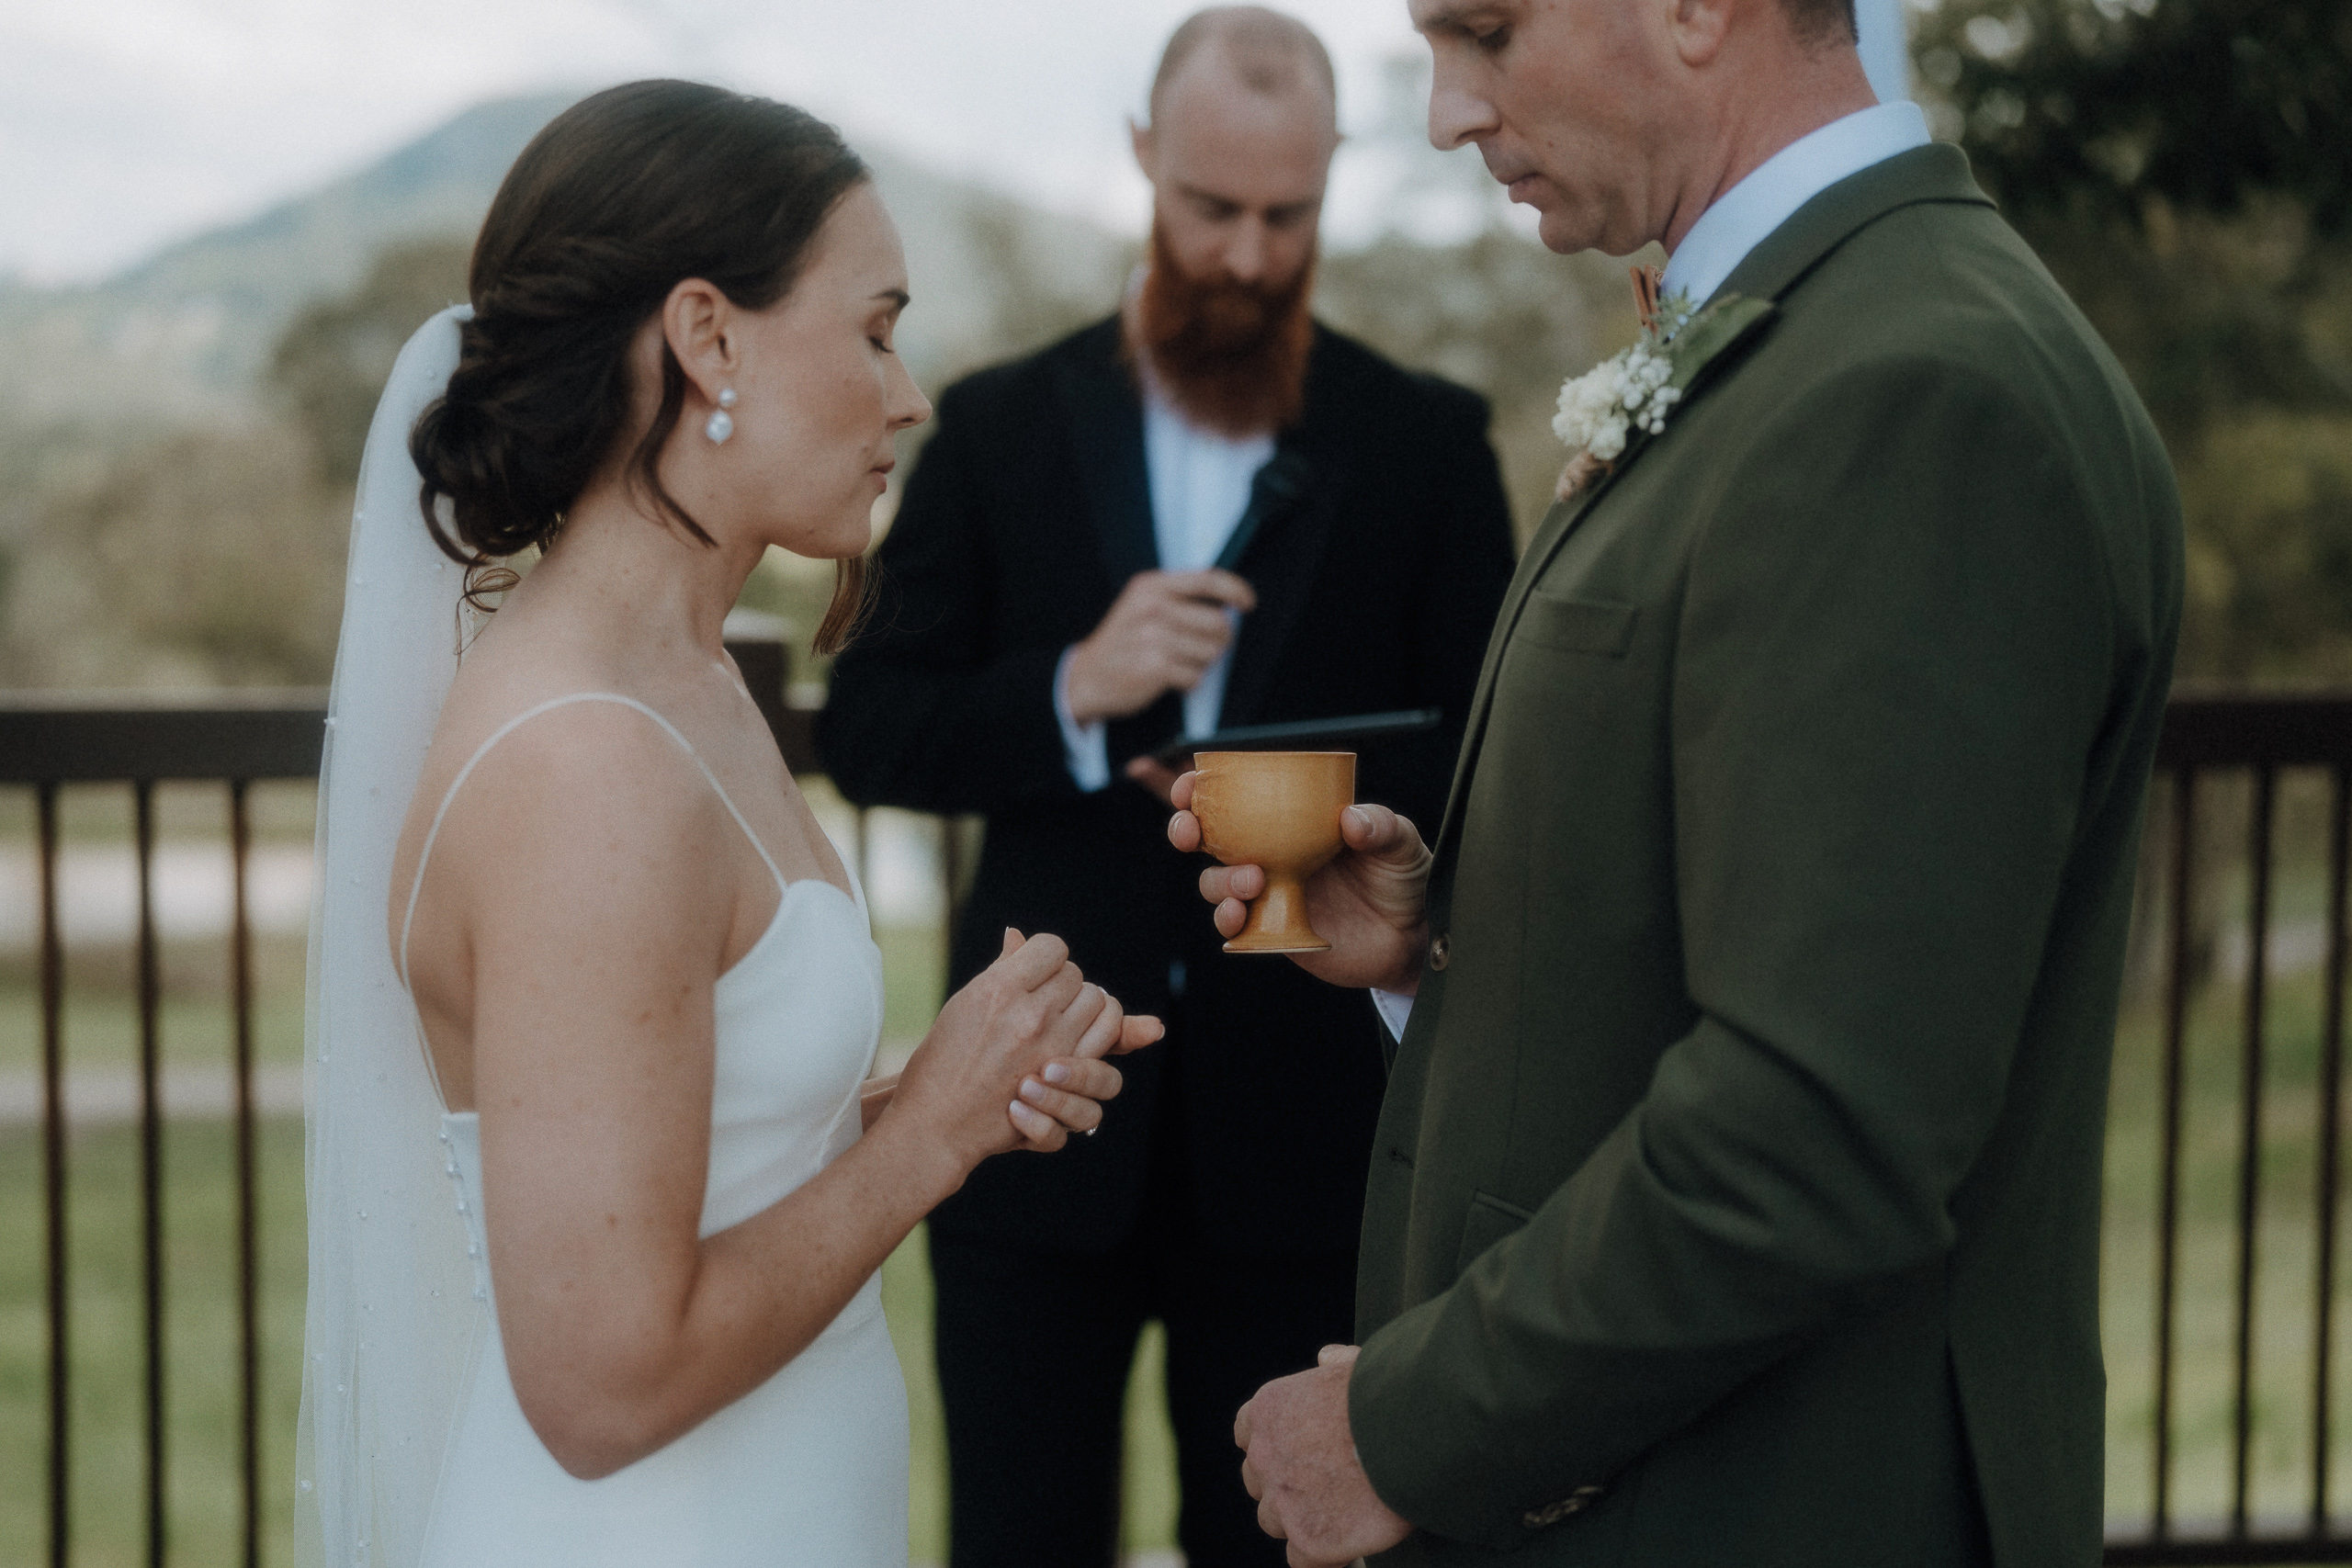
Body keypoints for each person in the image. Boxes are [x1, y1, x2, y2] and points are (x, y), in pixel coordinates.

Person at [1169, 0, 2185, 1562]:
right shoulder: (1799, 333)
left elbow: (1819, 1126)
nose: (1447, 111)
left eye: (1487, 32)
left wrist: (1414, 1431)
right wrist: (1444, 949)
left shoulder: (1916, 392)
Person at [299, 81, 1159, 1568]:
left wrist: (956, 1090)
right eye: (877, 328)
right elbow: (603, 1383)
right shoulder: (585, 759)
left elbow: (694, 1165)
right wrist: (934, 1137)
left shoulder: (682, 684)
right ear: (708, 338)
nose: (910, 395)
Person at [818, 9, 1516, 1564]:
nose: (1251, 258)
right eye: (1212, 210)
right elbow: (869, 728)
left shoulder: (1426, 444)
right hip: (1030, 1124)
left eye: (1289, 217)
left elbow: (1488, 755)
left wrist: (1333, 799)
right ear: (1143, 159)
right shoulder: (994, 430)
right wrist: (1074, 688)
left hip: (1303, 1150)